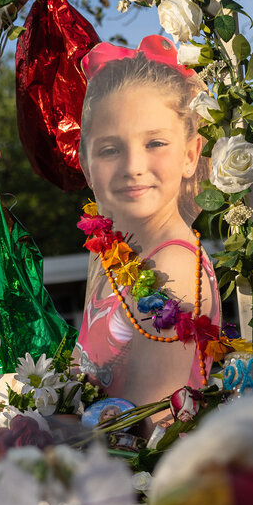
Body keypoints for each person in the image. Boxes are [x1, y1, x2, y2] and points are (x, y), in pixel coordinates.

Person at [71, 36, 222, 418]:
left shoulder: (172, 264)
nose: (133, 166)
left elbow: (151, 423)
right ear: (87, 167)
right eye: (110, 149)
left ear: (190, 156)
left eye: (155, 142)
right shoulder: (119, 263)